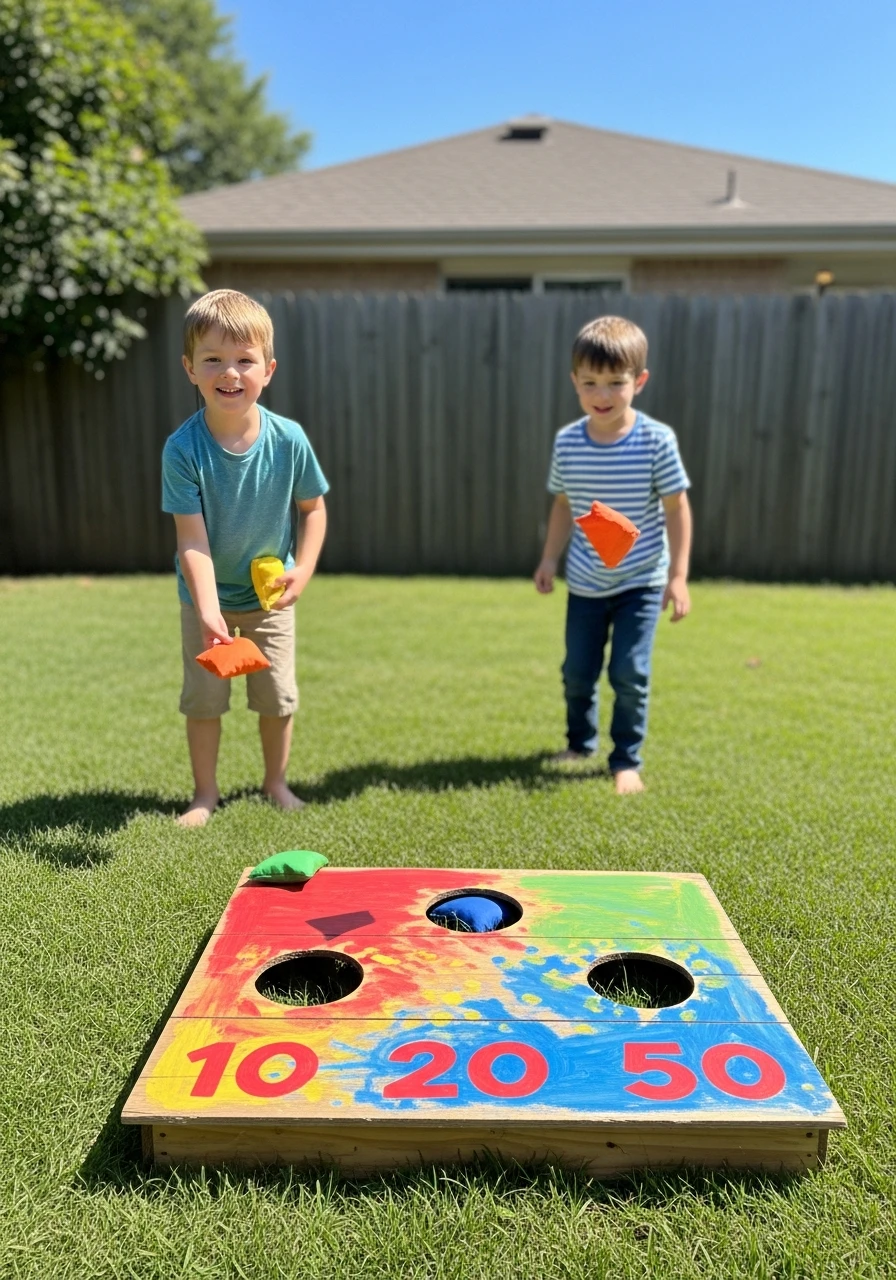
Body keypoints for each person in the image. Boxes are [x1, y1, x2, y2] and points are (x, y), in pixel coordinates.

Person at [162, 289, 328, 826]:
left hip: (270, 598)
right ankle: (205, 794)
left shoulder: (289, 440)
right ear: (190, 368)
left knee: (277, 699)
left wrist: (303, 568)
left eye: (244, 359)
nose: (229, 371)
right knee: (204, 701)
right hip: (205, 600)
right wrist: (208, 609)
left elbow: (313, 508)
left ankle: (275, 782)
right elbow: (193, 538)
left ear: (268, 369)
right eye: (212, 358)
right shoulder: (183, 450)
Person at [534, 315, 691, 795]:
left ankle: (625, 760)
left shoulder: (655, 441)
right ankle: (579, 743)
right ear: (574, 382)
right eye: (590, 383)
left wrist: (679, 576)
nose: (602, 394)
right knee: (577, 671)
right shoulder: (568, 442)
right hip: (584, 583)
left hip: (640, 582)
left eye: (615, 383)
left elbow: (677, 507)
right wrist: (548, 558)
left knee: (629, 670)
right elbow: (563, 503)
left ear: (638, 382)